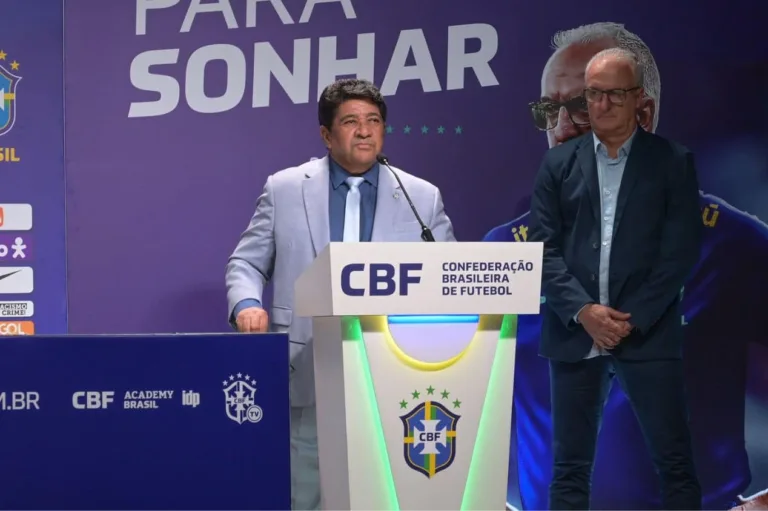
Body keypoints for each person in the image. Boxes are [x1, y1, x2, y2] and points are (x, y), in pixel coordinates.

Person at [483, 22, 768, 511]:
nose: (562, 127)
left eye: (584, 104)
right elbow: (454, 397)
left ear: (644, 112)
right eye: (550, 110)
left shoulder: (726, 242)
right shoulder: (507, 251)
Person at [225, 78, 456, 510]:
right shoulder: (285, 189)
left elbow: (448, 277)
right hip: (308, 366)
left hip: (393, 369)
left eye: (374, 121)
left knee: (382, 494)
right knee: (307, 495)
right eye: (351, 122)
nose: (365, 131)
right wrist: (247, 304)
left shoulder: (420, 197)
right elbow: (247, 263)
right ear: (326, 135)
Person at [527, 46, 704, 509]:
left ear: (639, 99)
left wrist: (631, 319)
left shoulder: (672, 161)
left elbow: (679, 252)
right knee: (569, 469)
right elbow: (542, 248)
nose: (600, 106)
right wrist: (583, 311)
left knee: (675, 464)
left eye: (614, 95)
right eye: (593, 94)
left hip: (646, 332)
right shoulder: (558, 164)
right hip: (574, 333)